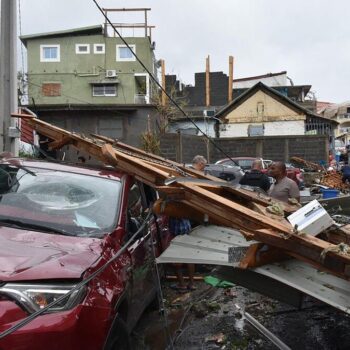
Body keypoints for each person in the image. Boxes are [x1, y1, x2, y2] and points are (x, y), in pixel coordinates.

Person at [168, 217, 196, 292]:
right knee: (189, 258)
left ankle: (182, 284)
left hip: (178, 233)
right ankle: (191, 284)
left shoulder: (172, 206)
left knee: (175, 261)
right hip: (187, 230)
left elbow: (176, 214)